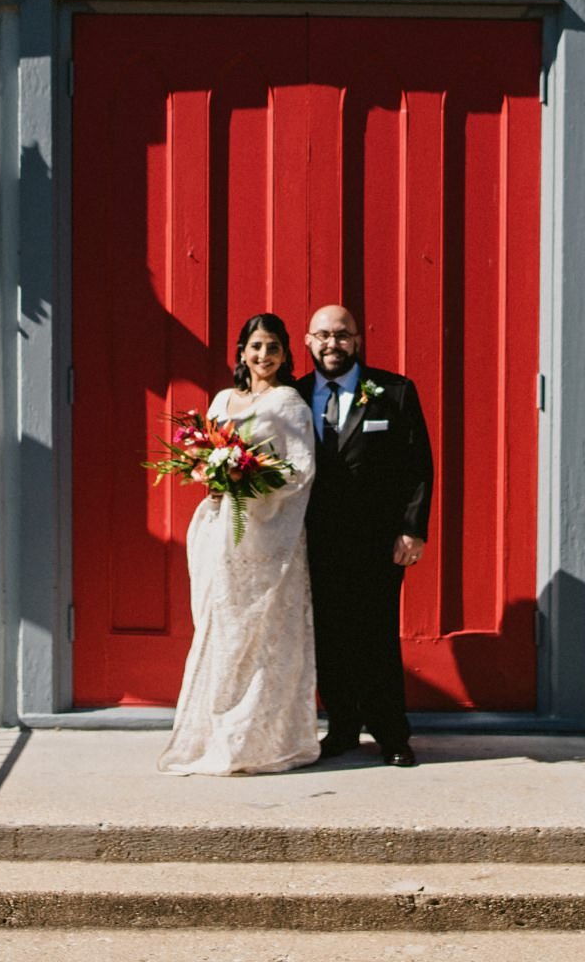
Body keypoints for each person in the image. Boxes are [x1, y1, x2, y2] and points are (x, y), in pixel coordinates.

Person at [157, 312, 320, 776]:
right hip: (219, 532)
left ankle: (262, 741)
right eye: (256, 346)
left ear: (286, 354)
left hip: (267, 538)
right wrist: (208, 472)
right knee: (221, 628)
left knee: (263, 634)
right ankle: (213, 733)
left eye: (273, 347)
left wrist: (250, 476)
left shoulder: (290, 404)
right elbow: (202, 453)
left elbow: (301, 470)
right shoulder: (224, 400)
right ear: (242, 352)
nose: (264, 356)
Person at [297, 303, 432, 767]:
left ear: (357, 340)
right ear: (308, 341)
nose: (332, 344)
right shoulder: (292, 396)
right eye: (323, 335)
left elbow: (418, 467)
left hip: (377, 542)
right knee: (330, 637)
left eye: (342, 335)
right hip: (314, 542)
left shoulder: (393, 392)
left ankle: (392, 734)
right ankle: (343, 728)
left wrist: (412, 530)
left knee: (376, 636)